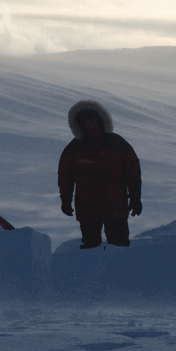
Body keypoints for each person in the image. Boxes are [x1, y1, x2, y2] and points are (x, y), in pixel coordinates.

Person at [58, 100, 142, 249]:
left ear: (100, 120)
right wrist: (65, 199)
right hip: (87, 209)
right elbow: (65, 176)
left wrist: (135, 196)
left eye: (93, 120)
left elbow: (133, 170)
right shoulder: (73, 148)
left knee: (120, 247)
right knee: (91, 248)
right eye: (86, 121)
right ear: (80, 124)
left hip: (116, 206)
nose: (90, 124)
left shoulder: (117, 143)